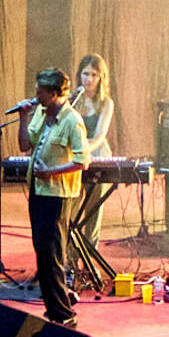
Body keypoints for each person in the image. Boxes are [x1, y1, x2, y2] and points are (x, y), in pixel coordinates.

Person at [15, 67, 90, 326]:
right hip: (38, 191)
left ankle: (64, 314)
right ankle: (54, 310)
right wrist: (24, 118)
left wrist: (51, 172)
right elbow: (25, 146)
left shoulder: (72, 120)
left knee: (53, 255)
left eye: (41, 92)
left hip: (59, 195)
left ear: (55, 93)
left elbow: (83, 161)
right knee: (42, 253)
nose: (36, 96)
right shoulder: (40, 113)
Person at [69, 53, 117, 245]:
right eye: (85, 73)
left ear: (101, 78)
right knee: (71, 208)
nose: (88, 79)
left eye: (94, 75)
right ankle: (70, 259)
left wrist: (83, 150)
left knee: (93, 210)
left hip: (96, 154)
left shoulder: (106, 103)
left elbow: (99, 136)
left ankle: (91, 254)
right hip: (74, 157)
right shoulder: (72, 99)